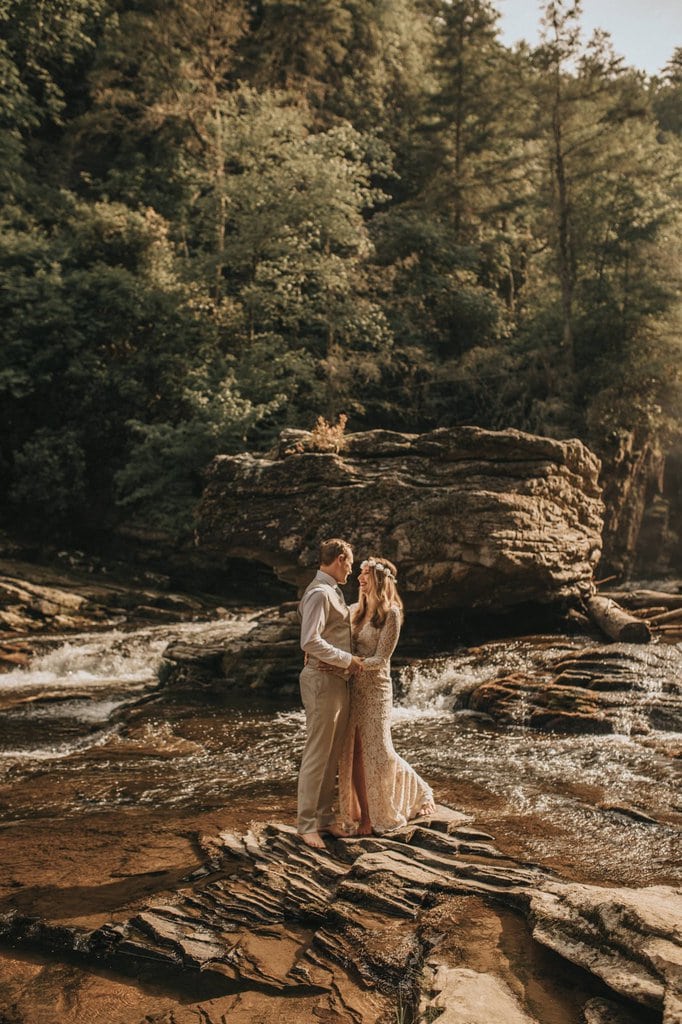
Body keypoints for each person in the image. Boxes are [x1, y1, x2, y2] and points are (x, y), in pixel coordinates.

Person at [338, 556, 435, 834]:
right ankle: (363, 815)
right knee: (354, 752)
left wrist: (352, 662)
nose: (359, 578)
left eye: (365, 574)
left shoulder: (391, 613)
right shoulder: (354, 610)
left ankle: (416, 790)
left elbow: (381, 658)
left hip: (376, 689)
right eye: (360, 574)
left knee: (379, 752)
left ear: (379, 579)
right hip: (352, 688)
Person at [297, 538, 364, 849]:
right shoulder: (320, 593)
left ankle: (323, 819)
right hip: (321, 681)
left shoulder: (332, 591)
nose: (352, 568)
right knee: (317, 753)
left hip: (336, 680)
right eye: (350, 562)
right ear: (339, 559)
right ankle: (306, 824)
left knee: (331, 754)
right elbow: (309, 641)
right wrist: (347, 659)